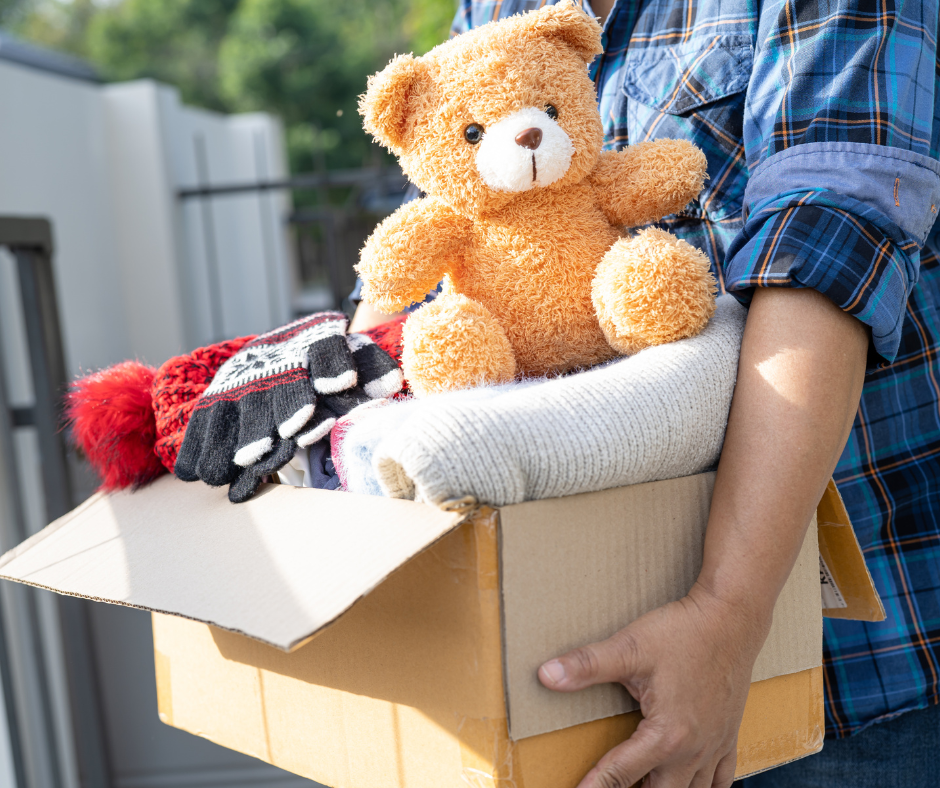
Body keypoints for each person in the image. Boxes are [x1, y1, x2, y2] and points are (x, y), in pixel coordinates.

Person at [350, 0, 940, 785]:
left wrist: (727, 613)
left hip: (848, 664)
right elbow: (448, 211)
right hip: (576, 658)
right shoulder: (495, 10)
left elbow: (828, 235)